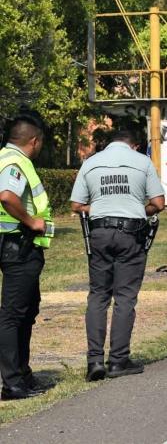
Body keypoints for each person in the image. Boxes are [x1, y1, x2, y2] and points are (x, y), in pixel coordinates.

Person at [70, 128, 165, 382]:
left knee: (98, 295)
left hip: (99, 233)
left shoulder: (90, 163)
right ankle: (118, 360)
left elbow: (77, 205)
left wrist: (101, 208)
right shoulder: (143, 162)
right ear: (133, 146)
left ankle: (94, 361)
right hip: (130, 234)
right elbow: (158, 203)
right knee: (124, 297)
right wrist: (135, 209)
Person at [0, 114, 53, 400]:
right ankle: (13, 383)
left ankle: (22, 375)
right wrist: (31, 221)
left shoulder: (3, 157)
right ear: (34, 141)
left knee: (24, 310)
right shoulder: (16, 162)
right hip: (17, 243)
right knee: (14, 314)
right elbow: (7, 196)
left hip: (11, 242)